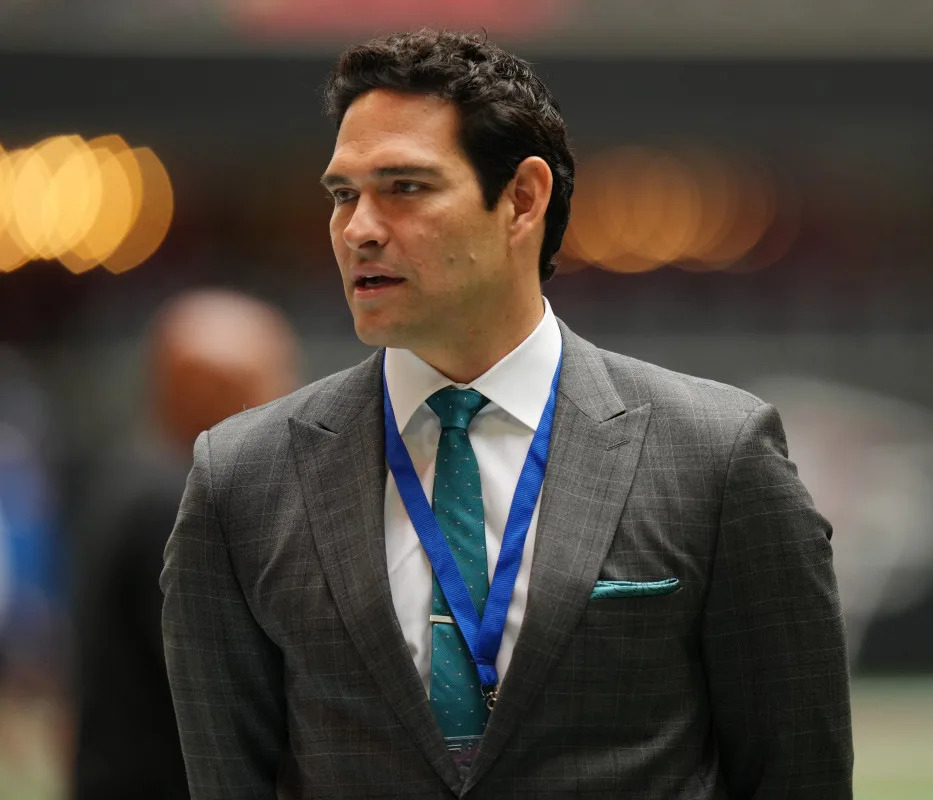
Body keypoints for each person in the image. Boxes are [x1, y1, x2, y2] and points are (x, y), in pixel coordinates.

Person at [161, 29, 853, 799]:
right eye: (343, 194)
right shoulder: (241, 477)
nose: (358, 228)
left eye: (405, 188)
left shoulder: (716, 455)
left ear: (521, 200)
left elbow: (799, 773)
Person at [74, 290, 299, 800]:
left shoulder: (142, 483)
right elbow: (233, 673)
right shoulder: (171, 504)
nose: (293, 400)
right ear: (216, 396)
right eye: (272, 381)